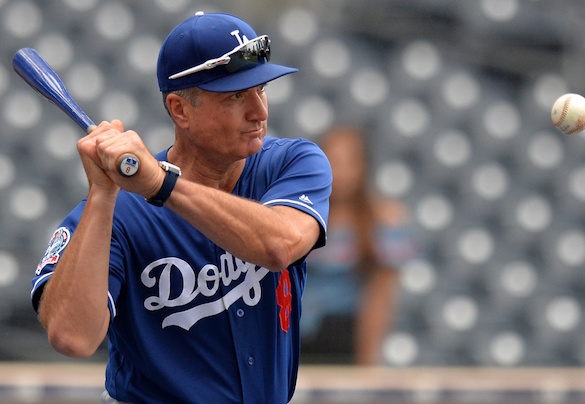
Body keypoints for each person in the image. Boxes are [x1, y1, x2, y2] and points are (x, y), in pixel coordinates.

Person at [30, 12, 332, 404]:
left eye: (262, 89)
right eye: (236, 96)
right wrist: (103, 194)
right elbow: (72, 337)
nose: (259, 112)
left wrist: (162, 185)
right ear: (180, 110)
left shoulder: (292, 162)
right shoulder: (121, 210)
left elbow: (280, 246)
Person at [300, 126, 419, 366]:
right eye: (332, 160)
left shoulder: (383, 219)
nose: (340, 170)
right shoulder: (299, 214)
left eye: (348, 161)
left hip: (343, 336)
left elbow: (380, 298)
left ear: (363, 166)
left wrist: (367, 362)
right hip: (291, 332)